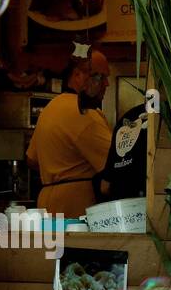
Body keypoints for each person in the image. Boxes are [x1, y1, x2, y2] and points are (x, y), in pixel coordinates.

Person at [26, 50, 112, 217]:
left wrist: (61, 170)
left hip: (46, 204)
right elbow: (115, 164)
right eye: (99, 77)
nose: (106, 84)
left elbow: (31, 160)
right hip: (76, 207)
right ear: (77, 75)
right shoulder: (84, 114)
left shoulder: (51, 108)